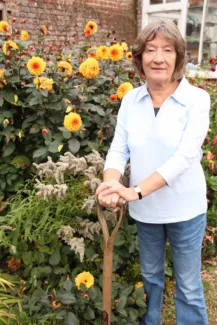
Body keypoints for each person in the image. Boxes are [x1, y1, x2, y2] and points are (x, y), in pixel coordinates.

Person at [96, 20, 210, 325]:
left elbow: (185, 157)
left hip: (185, 209)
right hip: (146, 212)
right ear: (140, 58)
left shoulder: (197, 99)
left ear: (178, 57)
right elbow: (119, 149)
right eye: (150, 50)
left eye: (167, 50)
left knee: (187, 284)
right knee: (150, 278)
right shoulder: (131, 99)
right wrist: (110, 184)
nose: (158, 58)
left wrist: (135, 191)